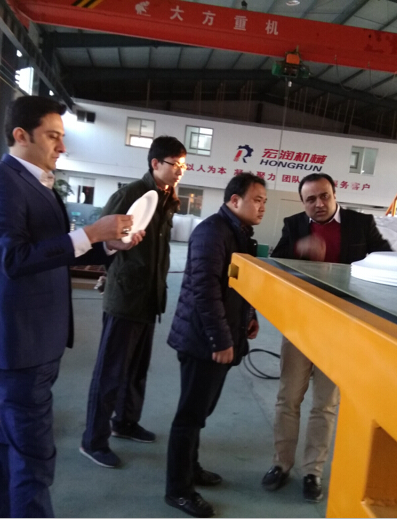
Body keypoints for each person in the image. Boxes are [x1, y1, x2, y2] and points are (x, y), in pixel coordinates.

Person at [0, 95, 143, 518]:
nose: (61, 146)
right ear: (21, 135)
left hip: (41, 341)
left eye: (61, 137)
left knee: (12, 445)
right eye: (52, 136)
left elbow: (55, 252)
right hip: (18, 344)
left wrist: (108, 245)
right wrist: (91, 233)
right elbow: (13, 259)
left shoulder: (40, 186)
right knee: (35, 457)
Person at [261, 172, 391, 502]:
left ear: (335, 194)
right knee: (288, 398)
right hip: (301, 324)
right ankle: (281, 463)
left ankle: (313, 471)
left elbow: (385, 262)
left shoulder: (361, 225)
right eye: (310, 199)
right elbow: (276, 265)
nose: (318, 204)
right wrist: (298, 250)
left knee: (325, 404)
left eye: (324, 196)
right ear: (302, 202)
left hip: (342, 328)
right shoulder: (294, 226)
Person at [80, 136, 187, 468]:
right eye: (175, 164)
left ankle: (125, 422)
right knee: (110, 371)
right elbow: (100, 237)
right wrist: (116, 249)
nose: (180, 171)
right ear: (155, 163)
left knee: (136, 369)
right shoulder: (130, 195)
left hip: (149, 297)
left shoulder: (168, 199)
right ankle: (93, 440)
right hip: (126, 297)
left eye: (184, 165)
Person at [165, 173, 267, 518]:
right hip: (202, 341)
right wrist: (220, 339)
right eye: (256, 200)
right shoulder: (212, 232)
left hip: (217, 336)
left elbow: (240, 283)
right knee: (190, 415)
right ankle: (178, 490)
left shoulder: (238, 233)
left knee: (200, 413)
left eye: (264, 201)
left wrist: (249, 315)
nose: (262, 207)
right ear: (234, 200)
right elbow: (205, 291)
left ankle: (190, 468)